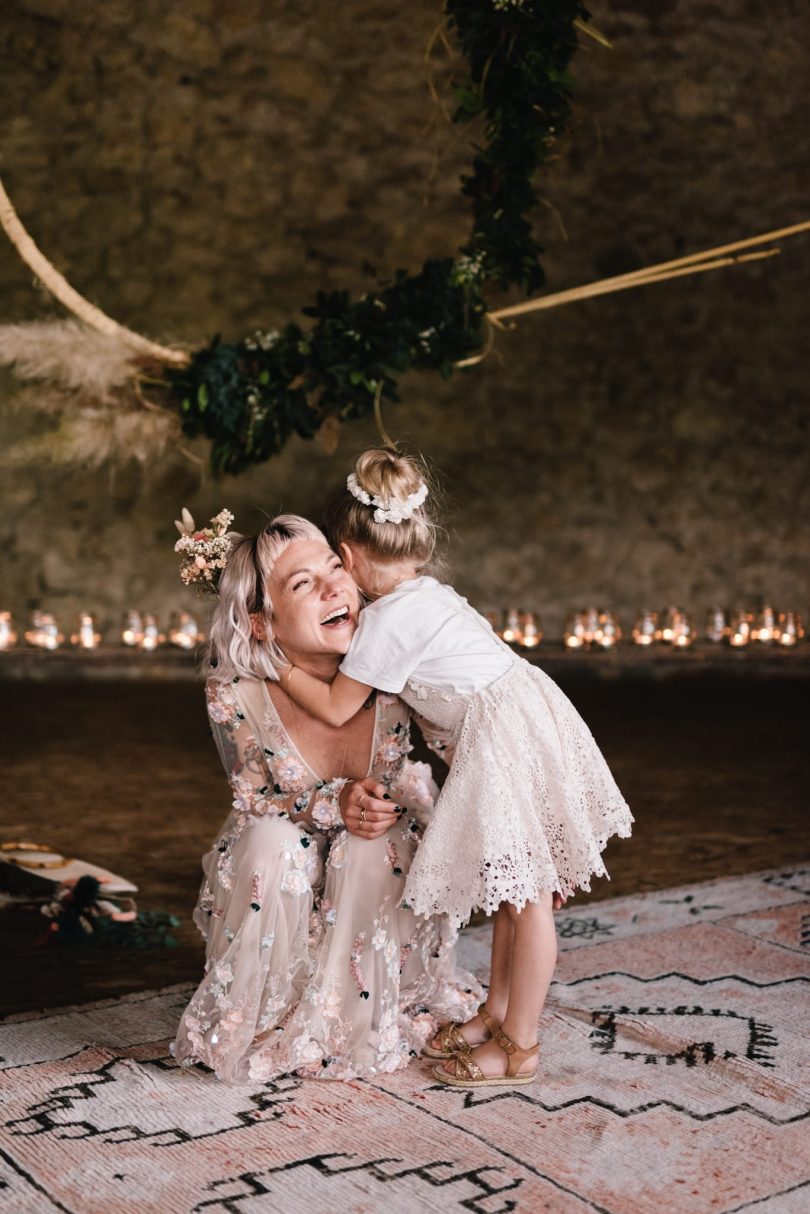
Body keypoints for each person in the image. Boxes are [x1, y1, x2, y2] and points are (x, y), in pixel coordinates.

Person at [282, 450, 634, 1089]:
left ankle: (520, 1046)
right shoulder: (427, 593)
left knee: (527, 902)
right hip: (526, 725)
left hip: (505, 742)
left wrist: (274, 662)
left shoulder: (387, 622)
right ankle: (496, 1015)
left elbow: (336, 707)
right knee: (511, 890)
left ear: (349, 556)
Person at [171, 513, 480, 1084]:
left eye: (335, 568)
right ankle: (265, 1010)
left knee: (372, 845)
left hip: (373, 861)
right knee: (269, 843)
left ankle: (360, 1021)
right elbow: (255, 798)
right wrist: (333, 804)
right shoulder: (236, 691)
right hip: (285, 857)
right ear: (262, 625)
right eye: (302, 584)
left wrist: (529, 846)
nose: (336, 587)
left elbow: (473, 751)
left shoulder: (394, 669)